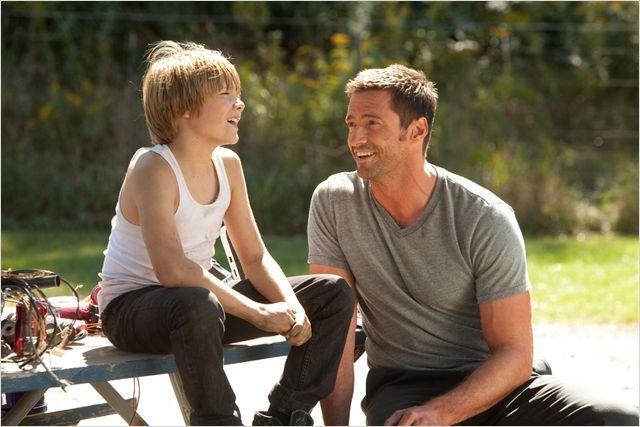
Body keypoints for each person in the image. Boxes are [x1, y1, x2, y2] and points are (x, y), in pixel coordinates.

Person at [307, 64, 639, 426]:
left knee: (618, 419)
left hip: (497, 384)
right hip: (403, 387)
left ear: (417, 130)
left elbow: (514, 353)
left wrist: (440, 413)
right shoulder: (335, 202)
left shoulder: (484, 217)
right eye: (351, 124)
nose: (356, 138)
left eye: (372, 123)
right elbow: (334, 334)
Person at [97, 40, 355, 426]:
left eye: (238, 94)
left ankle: (283, 416)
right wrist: (259, 313)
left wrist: (291, 308)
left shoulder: (228, 165)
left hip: (203, 310)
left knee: (332, 293)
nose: (240, 104)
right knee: (196, 303)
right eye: (226, 95)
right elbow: (173, 270)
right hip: (133, 311)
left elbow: (255, 257)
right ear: (184, 108)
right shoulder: (152, 168)